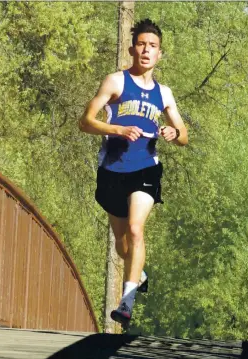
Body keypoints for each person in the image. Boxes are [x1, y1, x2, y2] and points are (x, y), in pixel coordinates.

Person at [79, 18, 188, 327]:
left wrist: (172, 132)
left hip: (146, 170)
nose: (146, 50)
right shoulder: (115, 81)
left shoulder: (164, 93)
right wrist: (116, 129)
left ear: (159, 54)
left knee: (137, 230)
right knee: (122, 244)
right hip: (112, 170)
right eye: (141, 44)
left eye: (152, 46)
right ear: (132, 48)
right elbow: (85, 121)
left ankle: (126, 303)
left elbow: (183, 136)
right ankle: (137, 273)